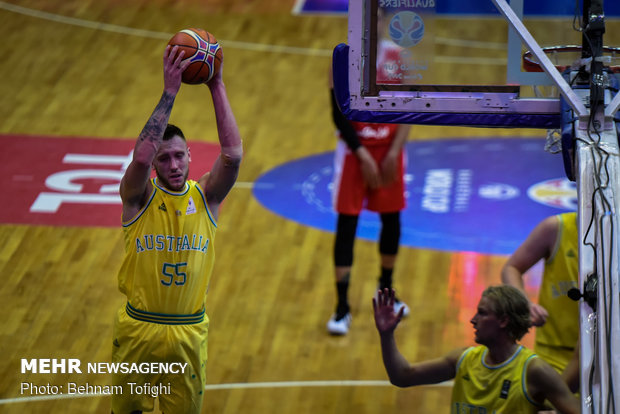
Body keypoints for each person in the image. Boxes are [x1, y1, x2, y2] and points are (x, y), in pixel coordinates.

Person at [111, 44, 242, 413]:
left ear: (190, 157)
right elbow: (140, 156)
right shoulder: (137, 198)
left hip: (188, 331)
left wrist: (217, 85)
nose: (172, 164)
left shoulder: (207, 198)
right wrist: (170, 92)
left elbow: (233, 156)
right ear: (155, 164)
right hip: (139, 328)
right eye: (163, 157)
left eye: (179, 155)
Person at [373, 286, 580, 413]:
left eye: (482, 313)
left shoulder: (533, 370)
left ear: (503, 320)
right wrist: (386, 335)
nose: (473, 320)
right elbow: (402, 377)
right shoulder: (463, 359)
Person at [326, 68, 411, 335]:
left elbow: (411, 106)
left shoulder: (399, 58)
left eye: (383, 20)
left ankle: (386, 288)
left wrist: (394, 150)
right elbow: (338, 115)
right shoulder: (342, 60)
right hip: (355, 151)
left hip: (390, 149)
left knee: (392, 219)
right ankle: (342, 307)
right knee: (347, 224)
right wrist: (362, 155)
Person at [501, 212, 579, 374]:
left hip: (607, 349)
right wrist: (525, 303)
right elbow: (511, 268)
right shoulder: (556, 228)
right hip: (553, 351)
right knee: (560, 398)